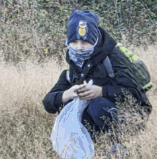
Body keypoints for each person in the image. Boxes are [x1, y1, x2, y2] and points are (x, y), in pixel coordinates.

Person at [43, 9, 150, 137]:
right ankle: (96, 143)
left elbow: (135, 94)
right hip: (97, 120)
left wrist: (101, 91)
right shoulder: (73, 66)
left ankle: (121, 140)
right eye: (74, 42)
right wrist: (66, 94)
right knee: (70, 103)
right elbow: (48, 103)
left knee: (96, 104)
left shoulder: (113, 57)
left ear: (94, 40)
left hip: (131, 116)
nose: (79, 47)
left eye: (85, 42)